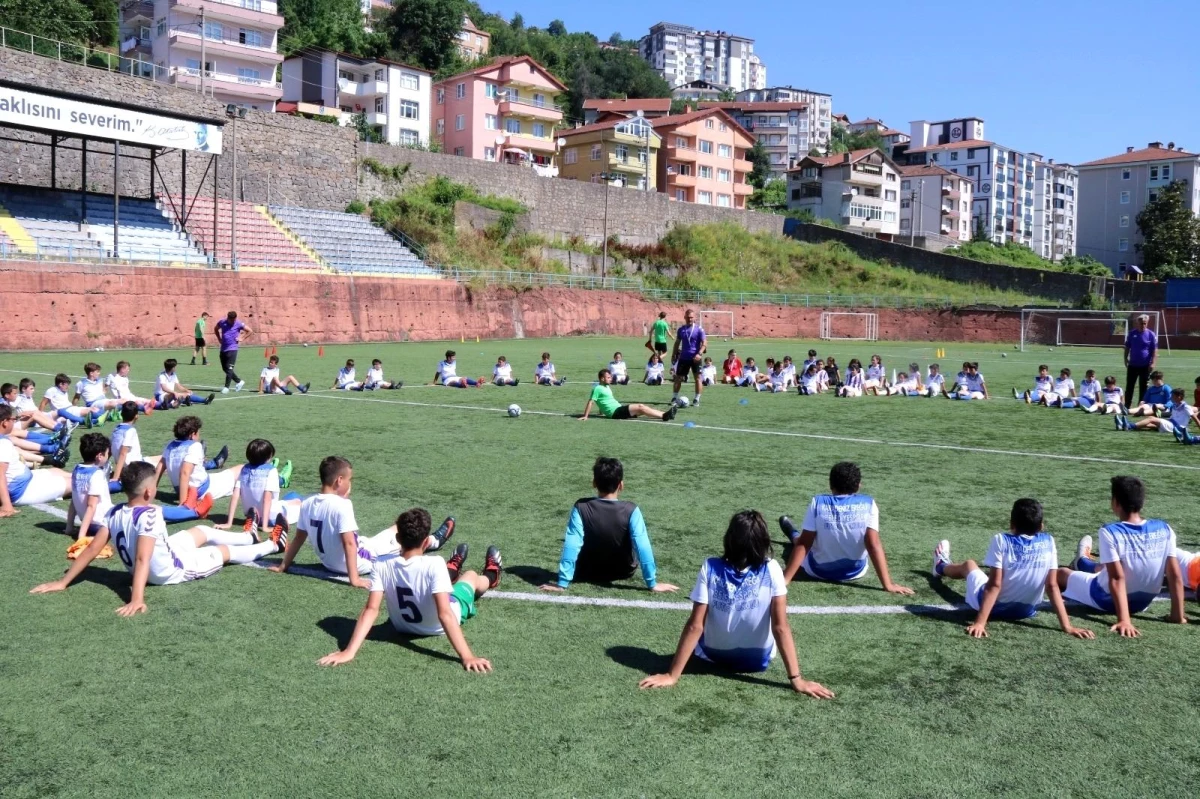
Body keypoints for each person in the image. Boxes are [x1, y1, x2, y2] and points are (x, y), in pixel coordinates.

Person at [29, 462, 286, 615]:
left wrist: (64, 582)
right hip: (170, 571)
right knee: (222, 552)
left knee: (202, 531)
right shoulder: (151, 515)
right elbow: (142, 559)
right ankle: (273, 544)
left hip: (163, 555)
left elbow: (92, 549)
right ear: (150, 491)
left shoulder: (115, 510)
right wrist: (137, 598)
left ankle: (248, 536)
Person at [637, 510, 834, 699]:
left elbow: (695, 625)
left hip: (712, 657)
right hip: (758, 662)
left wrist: (672, 675)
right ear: (763, 542)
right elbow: (780, 628)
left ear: (729, 539)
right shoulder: (772, 569)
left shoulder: (710, 566)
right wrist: (796, 680)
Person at [316, 507, 502, 672]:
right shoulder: (435, 563)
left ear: (397, 539)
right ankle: (492, 576)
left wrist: (349, 651)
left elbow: (371, 610)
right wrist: (467, 656)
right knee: (470, 576)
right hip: (436, 627)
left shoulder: (380, 564)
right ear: (426, 542)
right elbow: (445, 614)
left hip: (401, 626)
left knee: (441, 578)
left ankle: (452, 569)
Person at [271, 456, 455, 587]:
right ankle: (433, 541)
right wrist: (355, 579)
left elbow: (298, 539)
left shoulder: (307, 503)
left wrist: (283, 565)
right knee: (406, 543)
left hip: (337, 559)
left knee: (395, 528)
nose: (351, 484)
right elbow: (349, 544)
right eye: (349, 480)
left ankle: (428, 539)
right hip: (361, 560)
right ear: (339, 481)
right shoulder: (342, 505)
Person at [931, 499, 1093, 639]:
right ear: (1041, 526)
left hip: (993, 608)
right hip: (1025, 612)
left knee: (969, 565)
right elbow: (1051, 586)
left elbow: (995, 585)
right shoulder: (1049, 541)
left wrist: (980, 623)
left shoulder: (1001, 540)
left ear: (1011, 524)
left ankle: (941, 565)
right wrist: (1067, 627)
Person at [1056, 476, 1185, 637]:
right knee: (1104, 568)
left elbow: (1117, 578)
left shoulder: (1110, 531)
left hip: (1104, 598)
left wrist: (1124, 620)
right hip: (1143, 603)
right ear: (1142, 502)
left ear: (1115, 503)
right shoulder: (1164, 528)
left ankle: (1081, 559)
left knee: (1060, 573)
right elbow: (1174, 574)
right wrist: (1177, 616)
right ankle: (1082, 560)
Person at [540, 457, 678, 594]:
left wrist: (562, 583)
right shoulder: (631, 510)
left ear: (594, 483)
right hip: (623, 571)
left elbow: (572, 544)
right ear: (621, 485)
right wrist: (652, 583)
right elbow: (642, 546)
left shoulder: (581, 507)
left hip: (587, 571)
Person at [779, 462, 913, 595]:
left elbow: (805, 544)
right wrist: (888, 584)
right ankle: (793, 534)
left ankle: (793, 533)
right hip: (855, 572)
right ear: (858, 486)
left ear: (830, 485)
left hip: (817, 571)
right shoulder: (869, 503)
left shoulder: (817, 502)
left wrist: (786, 579)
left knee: (801, 541)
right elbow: (873, 544)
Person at [153, 416, 237, 521]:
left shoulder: (170, 444)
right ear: (193, 434)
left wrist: (152, 489)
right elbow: (184, 473)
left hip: (182, 489)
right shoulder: (195, 446)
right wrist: (182, 504)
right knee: (239, 470)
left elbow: (160, 467)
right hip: (202, 489)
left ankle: (213, 463)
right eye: (198, 432)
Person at [0, 405, 71, 516]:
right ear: (5, 422)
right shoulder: (3, 443)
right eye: (13, 420)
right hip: (22, 490)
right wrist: (6, 506)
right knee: (78, 484)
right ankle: (106, 482)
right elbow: (0, 474)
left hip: (24, 481)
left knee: (56, 471)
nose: (14, 423)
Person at [217, 438, 298, 535]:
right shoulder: (271, 471)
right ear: (268, 456)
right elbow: (267, 498)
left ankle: (285, 487)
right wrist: (265, 527)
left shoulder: (244, 469)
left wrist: (228, 523)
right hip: (272, 518)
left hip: (252, 517)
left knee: (289, 498)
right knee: (298, 500)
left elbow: (235, 496)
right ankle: (285, 480)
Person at [65, 432, 113, 541]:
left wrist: (69, 527)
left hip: (89, 523)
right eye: (107, 453)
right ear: (99, 456)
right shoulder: (97, 474)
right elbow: (91, 506)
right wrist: (81, 537)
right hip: (101, 524)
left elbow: (74, 499)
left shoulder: (77, 469)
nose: (108, 456)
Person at [582, 369, 677, 422]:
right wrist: (586, 416)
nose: (611, 379)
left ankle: (665, 415)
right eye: (608, 377)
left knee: (643, 409)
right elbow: (591, 402)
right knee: (640, 406)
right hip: (615, 412)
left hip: (618, 409)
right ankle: (664, 416)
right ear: (602, 379)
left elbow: (602, 401)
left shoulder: (606, 387)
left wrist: (601, 412)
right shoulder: (597, 388)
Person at [109, 401, 160, 491]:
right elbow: (123, 453)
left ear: (121, 414)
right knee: (164, 461)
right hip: (136, 468)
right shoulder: (131, 431)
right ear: (136, 416)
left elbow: (111, 450)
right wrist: (116, 478)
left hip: (127, 466)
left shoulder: (116, 429)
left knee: (160, 458)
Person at [1116, 388, 1196, 435]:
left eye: (1173, 396)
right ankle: (1123, 425)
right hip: (1171, 423)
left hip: (1176, 427)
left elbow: (1195, 418)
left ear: (1179, 397)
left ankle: (1129, 426)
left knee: (1151, 418)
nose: (1171, 397)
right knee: (1150, 424)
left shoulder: (1186, 407)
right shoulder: (1175, 405)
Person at [670, 308, 707, 407]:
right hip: (683, 357)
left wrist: (699, 353)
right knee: (678, 378)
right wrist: (673, 355)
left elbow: (705, 343)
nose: (689, 319)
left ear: (694, 318)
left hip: (696, 358)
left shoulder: (699, 329)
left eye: (691, 317)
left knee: (698, 378)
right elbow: (677, 343)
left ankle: (696, 399)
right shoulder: (681, 330)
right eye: (688, 317)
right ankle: (674, 397)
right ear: (684, 317)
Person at [1124, 313, 1158, 405]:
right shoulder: (1132, 333)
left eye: (1145, 323)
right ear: (1137, 323)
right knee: (1130, 386)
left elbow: (1154, 350)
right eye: (1141, 323)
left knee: (1143, 387)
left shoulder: (1151, 335)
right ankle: (1127, 405)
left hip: (1145, 366)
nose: (1143, 325)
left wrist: (1153, 363)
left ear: (1147, 323)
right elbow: (1127, 347)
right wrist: (1125, 358)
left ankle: (1141, 406)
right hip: (1132, 365)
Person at [215, 311, 250, 393]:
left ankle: (226, 387)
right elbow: (216, 329)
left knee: (230, 368)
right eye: (231, 320)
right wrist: (219, 338)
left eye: (234, 320)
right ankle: (239, 381)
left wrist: (242, 338)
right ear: (228, 318)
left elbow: (250, 331)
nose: (233, 322)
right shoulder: (222, 322)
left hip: (233, 348)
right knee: (225, 368)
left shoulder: (239, 324)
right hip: (223, 348)